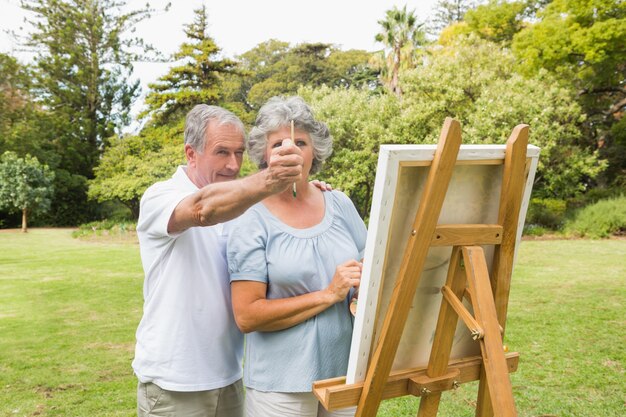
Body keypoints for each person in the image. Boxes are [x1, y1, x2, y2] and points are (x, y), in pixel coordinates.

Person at [133, 104, 307, 417]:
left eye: (239, 152)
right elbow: (202, 211)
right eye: (222, 152)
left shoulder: (245, 205)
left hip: (230, 376)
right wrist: (270, 179)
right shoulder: (161, 196)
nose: (233, 164)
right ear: (191, 153)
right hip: (174, 383)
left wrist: (311, 193)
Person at [227, 96, 367, 417]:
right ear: (265, 155)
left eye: (300, 142)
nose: (290, 150)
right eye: (279, 144)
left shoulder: (340, 203)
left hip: (344, 376)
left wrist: (360, 291)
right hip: (280, 388)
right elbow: (247, 316)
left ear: (313, 151)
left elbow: (370, 264)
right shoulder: (250, 219)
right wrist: (329, 294)